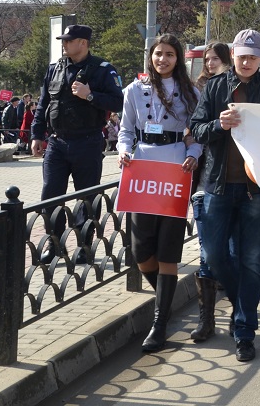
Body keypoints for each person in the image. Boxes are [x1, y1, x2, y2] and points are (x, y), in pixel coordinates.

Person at [190, 29, 260, 362]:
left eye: (253, 57)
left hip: (256, 189)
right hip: (218, 185)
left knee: (251, 261)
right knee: (215, 256)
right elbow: (197, 128)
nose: (246, 62)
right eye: (241, 56)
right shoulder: (215, 86)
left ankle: (245, 331)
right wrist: (219, 125)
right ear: (233, 54)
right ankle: (239, 305)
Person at [117, 34, 201, 353]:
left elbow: (198, 133)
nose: (162, 59)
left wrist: (194, 154)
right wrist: (123, 150)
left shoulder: (191, 92)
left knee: (168, 253)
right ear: (150, 56)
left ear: (178, 58)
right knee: (141, 253)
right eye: (157, 54)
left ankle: (160, 324)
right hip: (142, 173)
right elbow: (125, 130)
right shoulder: (134, 91)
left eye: (169, 54)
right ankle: (168, 300)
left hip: (175, 172)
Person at [30, 24, 124, 264]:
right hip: (57, 142)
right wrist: (36, 134)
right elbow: (43, 104)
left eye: (68, 40)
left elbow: (118, 102)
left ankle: (84, 245)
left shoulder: (102, 70)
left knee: (87, 198)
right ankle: (54, 243)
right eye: (63, 40)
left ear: (83, 43)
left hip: (88, 141)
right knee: (50, 195)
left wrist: (89, 95)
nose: (64, 44)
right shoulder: (55, 69)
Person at [190, 40, 229, 344]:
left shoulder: (232, 90)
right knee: (208, 251)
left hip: (234, 182)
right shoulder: (198, 89)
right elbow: (193, 129)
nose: (210, 63)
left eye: (216, 58)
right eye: (207, 59)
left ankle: (239, 317)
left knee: (231, 250)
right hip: (204, 182)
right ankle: (207, 320)